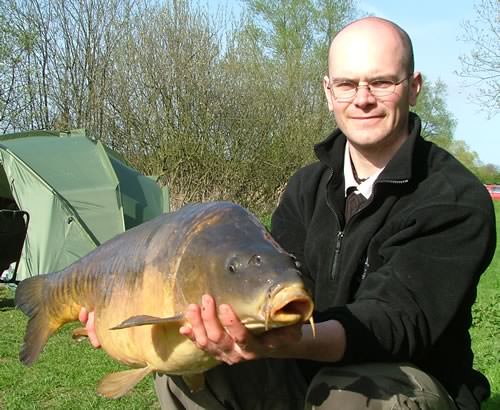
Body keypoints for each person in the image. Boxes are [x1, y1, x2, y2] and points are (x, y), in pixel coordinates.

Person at [81, 16, 496, 410]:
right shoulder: (306, 186)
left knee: (350, 393)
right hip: (303, 371)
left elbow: (395, 323)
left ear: (414, 87)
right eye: (348, 84)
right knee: (190, 369)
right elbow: (282, 283)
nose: (363, 99)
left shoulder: (452, 198)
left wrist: (287, 342)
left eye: (382, 82)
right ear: (328, 91)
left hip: (405, 383)